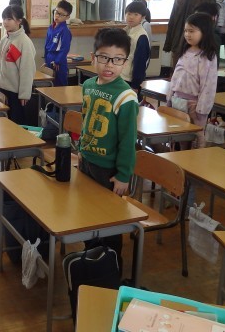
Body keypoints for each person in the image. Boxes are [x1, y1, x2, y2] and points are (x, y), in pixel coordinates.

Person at [79, 28, 139, 273]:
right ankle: (90, 260)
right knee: (87, 215)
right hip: (87, 162)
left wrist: (124, 175)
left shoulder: (126, 97)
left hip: (109, 170)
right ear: (93, 57)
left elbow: (128, 141)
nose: (109, 65)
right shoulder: (88, 85)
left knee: (110, 223)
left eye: (117, 59)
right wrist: (81, 150)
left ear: (125, 62)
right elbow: (86, 121)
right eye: (104, 57)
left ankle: (110, 270)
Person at [166, 12, 218, 149]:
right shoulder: (184, 51)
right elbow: (175, 77)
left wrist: (202, 109)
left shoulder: (207, 56)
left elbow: (208, 85)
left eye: (192, 31)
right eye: (186, 31)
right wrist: (170, 97)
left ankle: (195, 160)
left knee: (196, 138)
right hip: (178, 100)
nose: (187, 34)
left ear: (204, 32)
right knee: (178, 136)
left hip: (194, 104)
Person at [164, 0, 216, 68]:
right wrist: (169, 42)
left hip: (197, 43)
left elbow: (210, 24)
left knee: (193, 71)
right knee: (177, 70)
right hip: (178, 40)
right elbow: (172, 20)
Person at [0, 4, 36, 124]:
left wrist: (24, 94)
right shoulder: (5, 39)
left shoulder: (24, 42)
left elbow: (27, 70)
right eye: (4, 18)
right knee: (4, 123)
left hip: (16, 92)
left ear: (19, 21)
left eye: (9, 19)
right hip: (3, 88)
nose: (5, 22)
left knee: (15, 124)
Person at [121, 1, 151, 98]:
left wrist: (135, 85)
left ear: (142, 17)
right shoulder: (125, 31)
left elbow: (140, 62)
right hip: (120, 75)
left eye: (136, 14)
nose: (131, 17)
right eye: (129, 14)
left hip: (130, 80)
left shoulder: (141, 36)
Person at [43, 0, 73, 86]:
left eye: (61, 14)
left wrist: (57, 61)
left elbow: (65, 48)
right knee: (50, 83)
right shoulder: (50, 27)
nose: (57, 16)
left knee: (59, 84)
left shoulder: (65, 30)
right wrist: (46, 58)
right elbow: (46, 44)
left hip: (58, 60)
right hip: (49, 57)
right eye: (56, 12)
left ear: (67, 17)